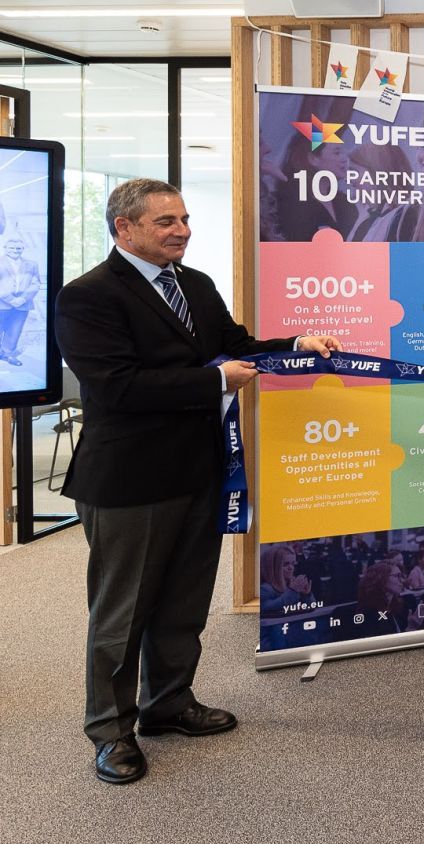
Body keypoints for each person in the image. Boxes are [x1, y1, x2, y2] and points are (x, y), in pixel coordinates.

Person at [56, 178, 342, 785]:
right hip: (128, 482)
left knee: (184, 603)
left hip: (199, 472)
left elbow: (235, 347)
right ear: (124, 228)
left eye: (183, 218)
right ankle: (110, 732)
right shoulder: (89, 297)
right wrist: (214, 383)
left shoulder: (197, 285)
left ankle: (168, 704)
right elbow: (116, 388)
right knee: (121, 614)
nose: (181, 229)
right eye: (165, 221)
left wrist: (295, 344)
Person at [0, 236, 41, 364]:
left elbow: (36, 284)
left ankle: (8, 354)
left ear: (22, 249)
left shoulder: (32, 264)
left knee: (15, 330)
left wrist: (23, 299)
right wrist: (11, 299)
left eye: (18, 248)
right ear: (5, 249)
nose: (15, 250)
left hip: (23, 304)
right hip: (2, 303)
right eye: (12, 248)